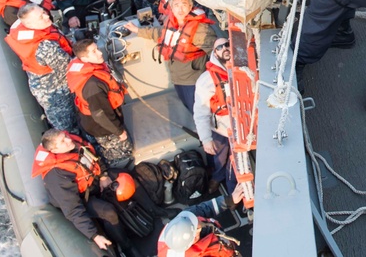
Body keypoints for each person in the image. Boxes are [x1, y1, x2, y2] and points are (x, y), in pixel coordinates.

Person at [33, 129, 161, 257]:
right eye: (63, 141)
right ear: (55, 151)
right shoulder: (57, 176)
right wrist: (94, 235)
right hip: (82, 198)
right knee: (108, 212)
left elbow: (93, 157)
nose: (69, 139)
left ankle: (154, 210)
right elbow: (72, 210)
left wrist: (103, 175)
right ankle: (127, 247)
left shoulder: (73, 145)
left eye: (65, 136)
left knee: (124, 176)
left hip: (93, 180)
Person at [124, 0, 216, 112]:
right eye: (176, 5)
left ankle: (206, 130)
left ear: (190, 7)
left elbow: (216, 52)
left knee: (199, 111)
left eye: (184, 5)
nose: (180, 9)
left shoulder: (200, 28)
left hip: (192, 80)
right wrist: (137, 30)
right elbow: (158, 32)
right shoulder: (172, 23)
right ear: (171, 7)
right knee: (188, 106)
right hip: (177, 78)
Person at [6, 4, 76, 132]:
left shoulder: (32, 30)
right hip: (56, 91)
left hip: (44, 83)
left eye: (44, 12)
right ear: (30, 25)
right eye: (40, 17)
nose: (46, 16)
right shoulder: (45, 46)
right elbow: (69, 67)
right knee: (67, 126)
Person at [67, 39, 133, 168]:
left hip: (89, 121)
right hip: (103, 128)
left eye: (97, 48)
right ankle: (120, 168)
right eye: (94, 52)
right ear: (84, 58)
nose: (100, 53)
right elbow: (100, 114)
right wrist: (119, 131)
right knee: (122, 154)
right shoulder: (93, 85)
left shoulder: (84, 68)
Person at [193, 37, 239, 194]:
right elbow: (200, 113)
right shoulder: (206, 80)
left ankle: (233, 193)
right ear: (215, 52)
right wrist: (206, 139)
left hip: (241, 126)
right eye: (220, 47)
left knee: (236, 162)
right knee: (219, 158)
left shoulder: (243, 68)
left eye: (227, 45)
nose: (225, 48)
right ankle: (216, 178)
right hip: (220, 128)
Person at [157, 205, 243, 257]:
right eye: (195, 222)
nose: (195, 217)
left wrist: (228, 200)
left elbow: (200, 209)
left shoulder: (180, 225)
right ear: (195, 237)